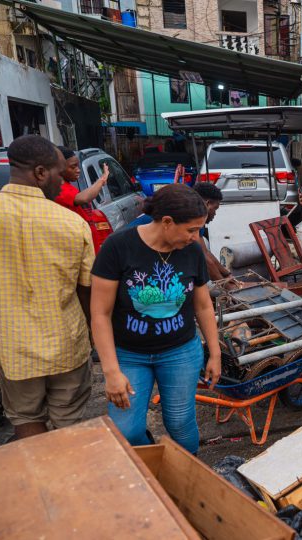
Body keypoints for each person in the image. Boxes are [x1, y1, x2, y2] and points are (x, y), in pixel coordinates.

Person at [91, 184, 221, 454]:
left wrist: (215, 352)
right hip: (129, 355)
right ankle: (153, 461)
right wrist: (111, 371)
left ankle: (187, 475)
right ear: (167, 222)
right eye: (191, 230)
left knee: (180, 423)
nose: (195, 237)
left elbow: (203, 306)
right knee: (126, 431)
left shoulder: (192, 250)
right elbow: (100, 314)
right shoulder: (118, 247)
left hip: (180, 352)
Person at [0, 135, 95, 439]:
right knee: (69, 419)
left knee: (24, 418)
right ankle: (67, 480)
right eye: (60, 174)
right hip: (67, 342)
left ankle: (40, 482)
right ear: (40, 173)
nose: (64, 183)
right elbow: (86, 288)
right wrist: (92, 332)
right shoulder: (72, 223)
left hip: (12, 345)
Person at [54, 146, 109, 220]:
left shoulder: (69, 186)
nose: (78, 170)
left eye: (78, 166)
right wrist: (102, 179)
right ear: (60, 167)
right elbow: (84, 198)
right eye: (73, 166)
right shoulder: (59, 190)